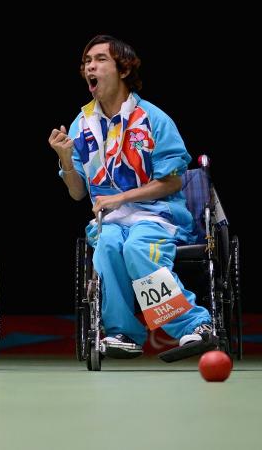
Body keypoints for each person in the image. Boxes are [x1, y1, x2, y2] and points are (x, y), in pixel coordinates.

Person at [48, 35, 213, 360]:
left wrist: (120, 199)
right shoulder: (82, 125)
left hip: (157, 215)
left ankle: (196, 325)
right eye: (86, 62)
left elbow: (172, 182)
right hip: (110, 221)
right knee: (107, 246)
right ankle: (122, 332)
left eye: (99, 59)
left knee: (138, 248)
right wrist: (66, 159)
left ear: (123, 69)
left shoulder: (152, 118)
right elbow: (77, 191)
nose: (90, 67)